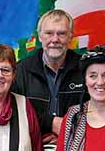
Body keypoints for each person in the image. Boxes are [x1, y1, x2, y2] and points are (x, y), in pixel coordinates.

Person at [11, 9, 87, 147]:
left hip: (74, 146)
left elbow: (97, 113)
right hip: (31, 145)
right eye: (49, 33)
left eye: (61, 33)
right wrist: (50, 122)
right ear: (40, 36)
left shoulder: (86, 70)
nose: (55, 39)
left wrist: (67, 137)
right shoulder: (21, 70)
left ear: (71, 36)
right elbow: (13, 112)